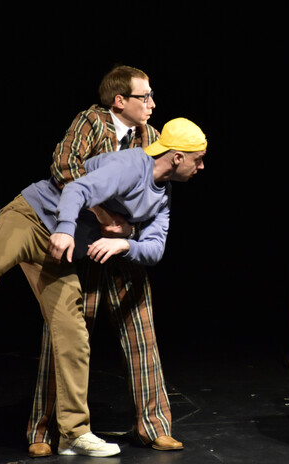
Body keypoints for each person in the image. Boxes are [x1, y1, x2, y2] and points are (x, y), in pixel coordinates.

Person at [0, 117, 207, 458]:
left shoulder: (162, 196)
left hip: (59, 254)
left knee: (73, 333)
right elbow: (76, 188)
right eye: (198, 159)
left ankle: (74, 433)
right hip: (33, 219)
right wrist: (65, 228)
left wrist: (125, 244)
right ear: (177, 157)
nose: (201, 166)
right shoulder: (130, 166)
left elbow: (155, 248)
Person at [24, 65, 183, 458]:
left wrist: (129, 231)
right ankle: (44, 429)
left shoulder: (153, 137)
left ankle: (154, 426)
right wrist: (101, 214)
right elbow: (65, 168)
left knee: (142, 335)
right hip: (85, 246)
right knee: (64, 338)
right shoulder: (92, 122)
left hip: (123, 250)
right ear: (120, 100)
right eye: (144, 96)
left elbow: (157, 191)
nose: (152, 103)